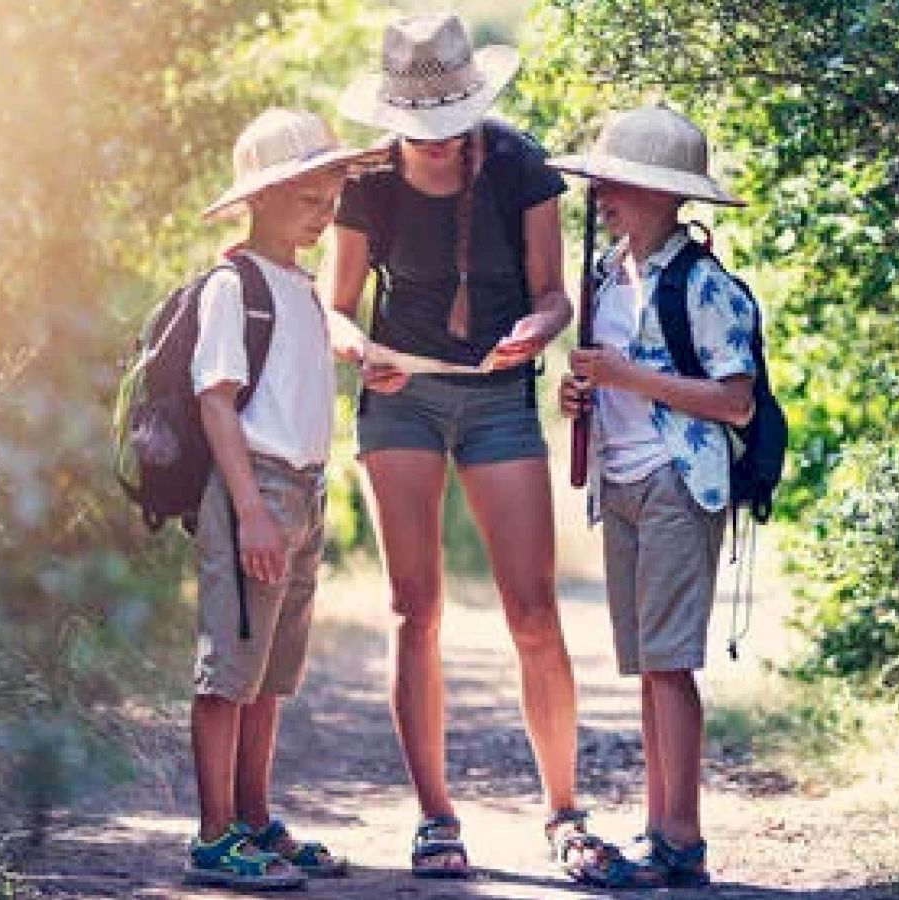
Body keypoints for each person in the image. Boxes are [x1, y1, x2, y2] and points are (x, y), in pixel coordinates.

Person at [323, 12, 595, 879]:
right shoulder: (365, 184)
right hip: (399, 398)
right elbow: (335, 306)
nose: (436, 145)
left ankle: (564, 811)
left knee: (533, 612)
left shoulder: (520, 165)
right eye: (420, 131)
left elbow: (556, 297)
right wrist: (357, 349)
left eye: (448, 128)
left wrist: (534, 328)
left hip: (498, 399)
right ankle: (436, 817)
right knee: (415, 609)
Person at [553, 106, 755, 888]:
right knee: (648, 666)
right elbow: (603, 380)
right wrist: (582, 401)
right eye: (603, 183)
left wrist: (625, 377)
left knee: (669, 665)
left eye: (622, 185)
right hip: (623, 482)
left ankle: (681, 840)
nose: (605, 196)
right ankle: (659, 829)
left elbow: (735, 401)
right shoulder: (608, 275)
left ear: (666, 197)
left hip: (678, 480)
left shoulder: (703, 286)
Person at [184, 107, 372, 889]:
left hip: (303, 490)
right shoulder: (235, 285)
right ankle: (213, 835)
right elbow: (215, 400)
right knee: (229, 671)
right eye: (306, 196)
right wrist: (251, 511)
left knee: (271, 673)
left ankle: (256, 819)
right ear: (258, 198)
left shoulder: (298, 286)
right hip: (251, 492)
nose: (323, 210)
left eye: (330, 195)